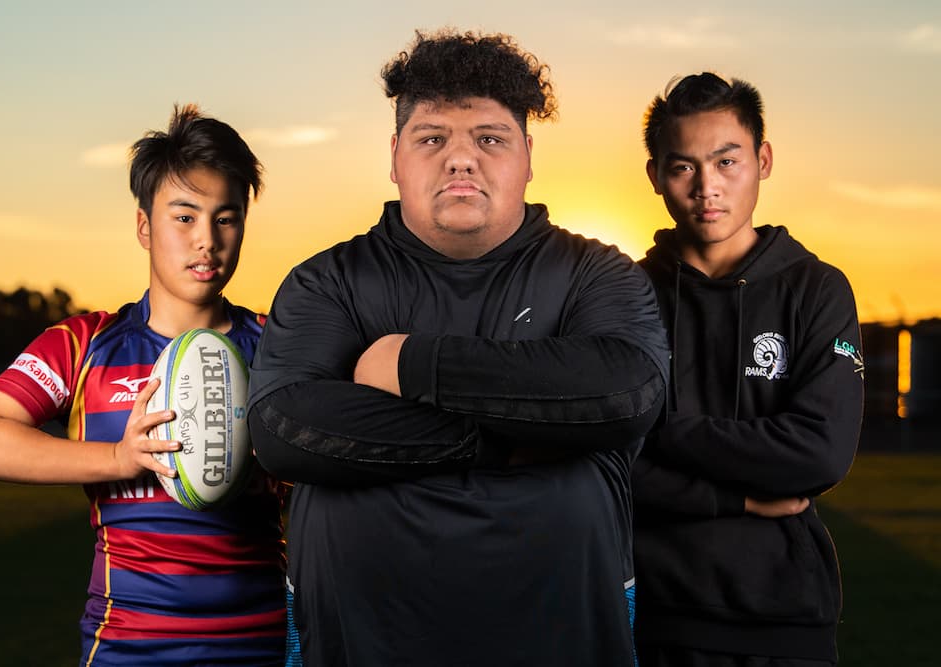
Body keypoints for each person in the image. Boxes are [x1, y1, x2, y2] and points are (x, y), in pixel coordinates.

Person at [247, 29, 669, 667]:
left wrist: (412, 363)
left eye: (490, 139)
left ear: (528, 153)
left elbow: (625, 391)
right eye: (433, 138)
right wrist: (517, 437)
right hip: (360, 641)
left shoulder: (596, 273)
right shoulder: (326, 281)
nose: (461, 159)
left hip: (565, 637)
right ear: (395, 155)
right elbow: (287, 427)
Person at [0, 105, 287, 666]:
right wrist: (118, 456)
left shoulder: (280, 346)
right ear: (144, 227)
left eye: (226, 218)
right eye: (184, 217)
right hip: (129, 649)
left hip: (264, 645)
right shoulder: (83, 345)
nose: (206, 240)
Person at [632, 72, 864, 666]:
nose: (707, 187)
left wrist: (660, 430)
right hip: (652, 616)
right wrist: (737, 500)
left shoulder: (817, 290)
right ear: (656, 174)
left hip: (783, 620)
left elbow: (818, 453)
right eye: (683, 167)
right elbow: (603, 463)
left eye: (726, 161)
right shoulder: (623, 295)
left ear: (762, 160)